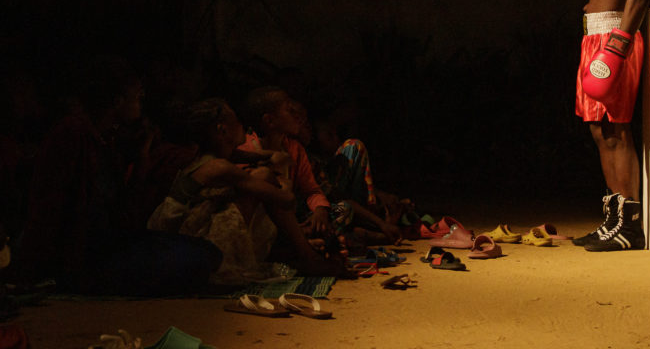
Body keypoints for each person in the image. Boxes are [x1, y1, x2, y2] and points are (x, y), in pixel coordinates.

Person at [495, 0, 650, 251]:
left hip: (616, 33)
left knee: (617, 129)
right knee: (600, 131)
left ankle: (630, 227)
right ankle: (613, 220)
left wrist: (619, 45)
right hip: (593, 36)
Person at [16, 55, 222, 295]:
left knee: (207, 252)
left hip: (111, 244)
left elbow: (123, 213)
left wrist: (142, 161)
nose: (141, 103)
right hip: (84, 257)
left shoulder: (108, 139)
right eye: (137, 97)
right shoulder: (71, 134)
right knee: (191, 262)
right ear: (117, 100)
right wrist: (37, 269)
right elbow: (48, 205)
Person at [147, 97, 353, 283]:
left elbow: (254, 157)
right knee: (262, 178)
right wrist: (280, 171)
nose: (242, 126)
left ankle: (302, 251)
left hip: (189, 238)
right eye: (236, 120)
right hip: (189, 247)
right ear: (222, 130)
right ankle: (308, 257)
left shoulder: (221, 156)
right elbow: (286, 199)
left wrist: (271, 158)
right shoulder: (218, 167)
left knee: (261, 178)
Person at [239, 86, 402, 249]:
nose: (298, 118)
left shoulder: (294, 149)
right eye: (290, 111)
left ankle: (334, 239)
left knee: (342, 210)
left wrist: (320, 210)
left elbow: (312, 190)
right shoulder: (246, 151)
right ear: (270, 121)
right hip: (268, 229)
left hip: (299, 221)